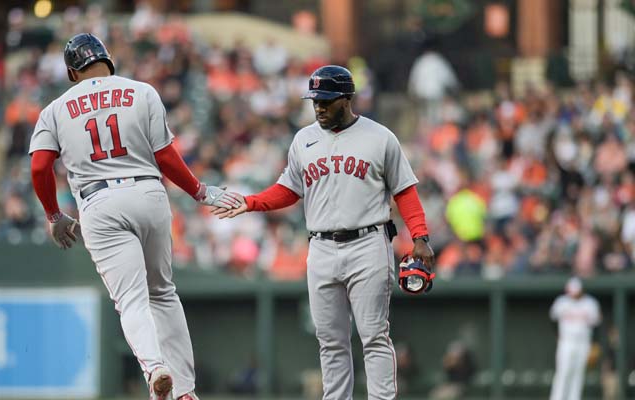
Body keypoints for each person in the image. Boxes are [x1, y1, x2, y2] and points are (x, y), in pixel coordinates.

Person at [28, 33, 240, 400]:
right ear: (107, 60)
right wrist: (201, 192)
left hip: (99, 203)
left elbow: (39, 167)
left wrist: (53, 214)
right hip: (148, 193)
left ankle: (155, 368)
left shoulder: (56, 108)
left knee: (132, 300)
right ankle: (186, 391)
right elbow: (167, 157)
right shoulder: (141, 92)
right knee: (163, 293)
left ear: (71, 72)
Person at [214, 65, 435, 399]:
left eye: (326, 100)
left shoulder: (380, 137)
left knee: (374, 335)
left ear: (346, 99)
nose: (318, 106)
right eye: (315, 100)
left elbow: (404, 191)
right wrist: (251, 202)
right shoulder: (304, 139)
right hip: (320, 246)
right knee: (330, 340)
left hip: (368, 242)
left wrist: (420, 237)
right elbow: (289, 189)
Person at [549, 277, 601, 400]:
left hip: (583, 343)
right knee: (563, 372)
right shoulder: (561, 302)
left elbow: (596, 324)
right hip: (566, 342)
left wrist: (594, 344)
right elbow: (552, 320)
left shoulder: (590, 303)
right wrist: (557, 336)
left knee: (578, 373)